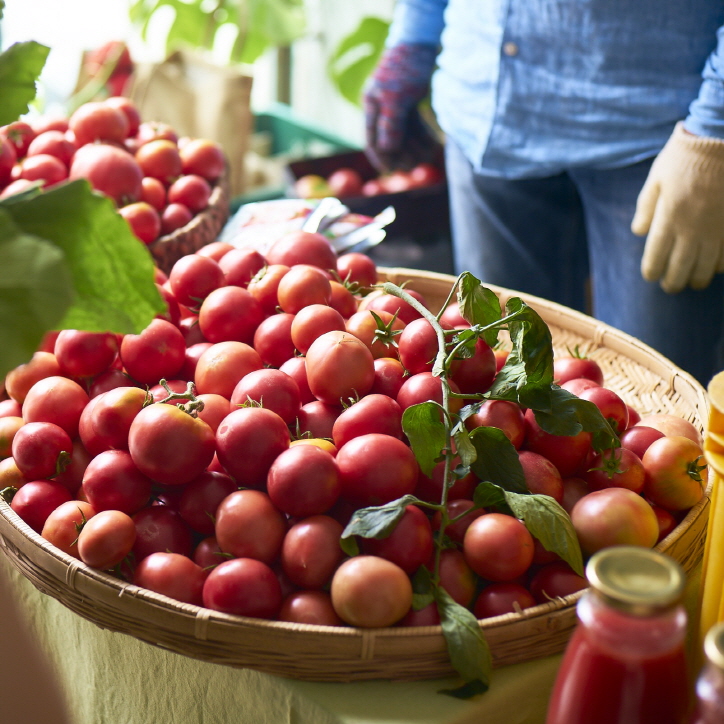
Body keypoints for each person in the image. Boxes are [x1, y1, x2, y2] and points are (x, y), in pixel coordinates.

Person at [363, 0, 724, 386]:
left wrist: (713, 131)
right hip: (484, 112)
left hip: (664, 137)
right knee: (496, 384)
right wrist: (415, 35)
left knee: (662, 403)